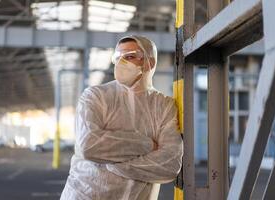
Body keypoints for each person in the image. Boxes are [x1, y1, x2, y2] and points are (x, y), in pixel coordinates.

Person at [60, 35, 183, 200]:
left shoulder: (163, 106)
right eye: (117, 58)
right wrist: (148, 145)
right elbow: (89, 146)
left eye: (130, 57)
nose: (121, 63)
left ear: (150, 63)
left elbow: (169, 164)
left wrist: (113, 164)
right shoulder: (96, 97)